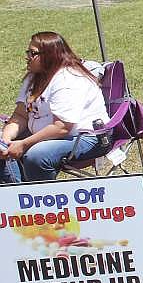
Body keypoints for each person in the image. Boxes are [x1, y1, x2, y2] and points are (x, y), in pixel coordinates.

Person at [0, 32, 111, 183]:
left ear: (50, 55)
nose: (27, 57)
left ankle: (40, 199)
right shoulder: (34, 77)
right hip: (49, 134)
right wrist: (5, 140)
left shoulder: (68, 79)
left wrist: (24, 144)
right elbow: (20, 115)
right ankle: (17, 196)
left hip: (86, 138)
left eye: (32, 53)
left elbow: (62, 128)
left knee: (37, 156)